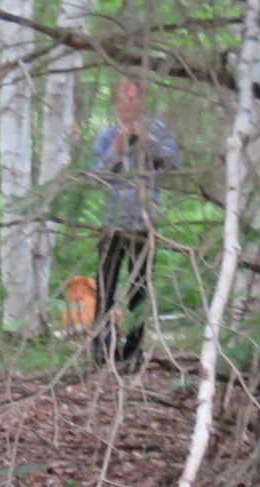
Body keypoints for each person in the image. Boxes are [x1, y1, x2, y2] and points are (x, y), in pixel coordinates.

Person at [90, 77, 181, 367]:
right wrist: (116, 148)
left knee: (140, 288)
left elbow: (173, 165)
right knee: (106, 284)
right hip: (113, 221)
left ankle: (133, 352)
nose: (127, 104)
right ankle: (102, 350)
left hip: (144, 221)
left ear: (141, 101)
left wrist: (149, 143)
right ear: (115, 101)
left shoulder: (156, 131)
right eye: (122, 98)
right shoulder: (106, 134)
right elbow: (95, 176)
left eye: (132, 98)